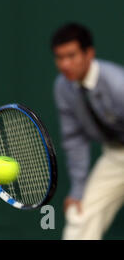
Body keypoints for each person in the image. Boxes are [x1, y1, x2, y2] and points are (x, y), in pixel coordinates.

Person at [51, 23, 124, 240]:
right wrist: (78, 189)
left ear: (89, 54)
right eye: (60, 57)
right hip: (116, 156)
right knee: (80, 214)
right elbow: (75, 140)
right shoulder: (63, 88)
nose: (65, 64)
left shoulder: (117, 83)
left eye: (71, 56)